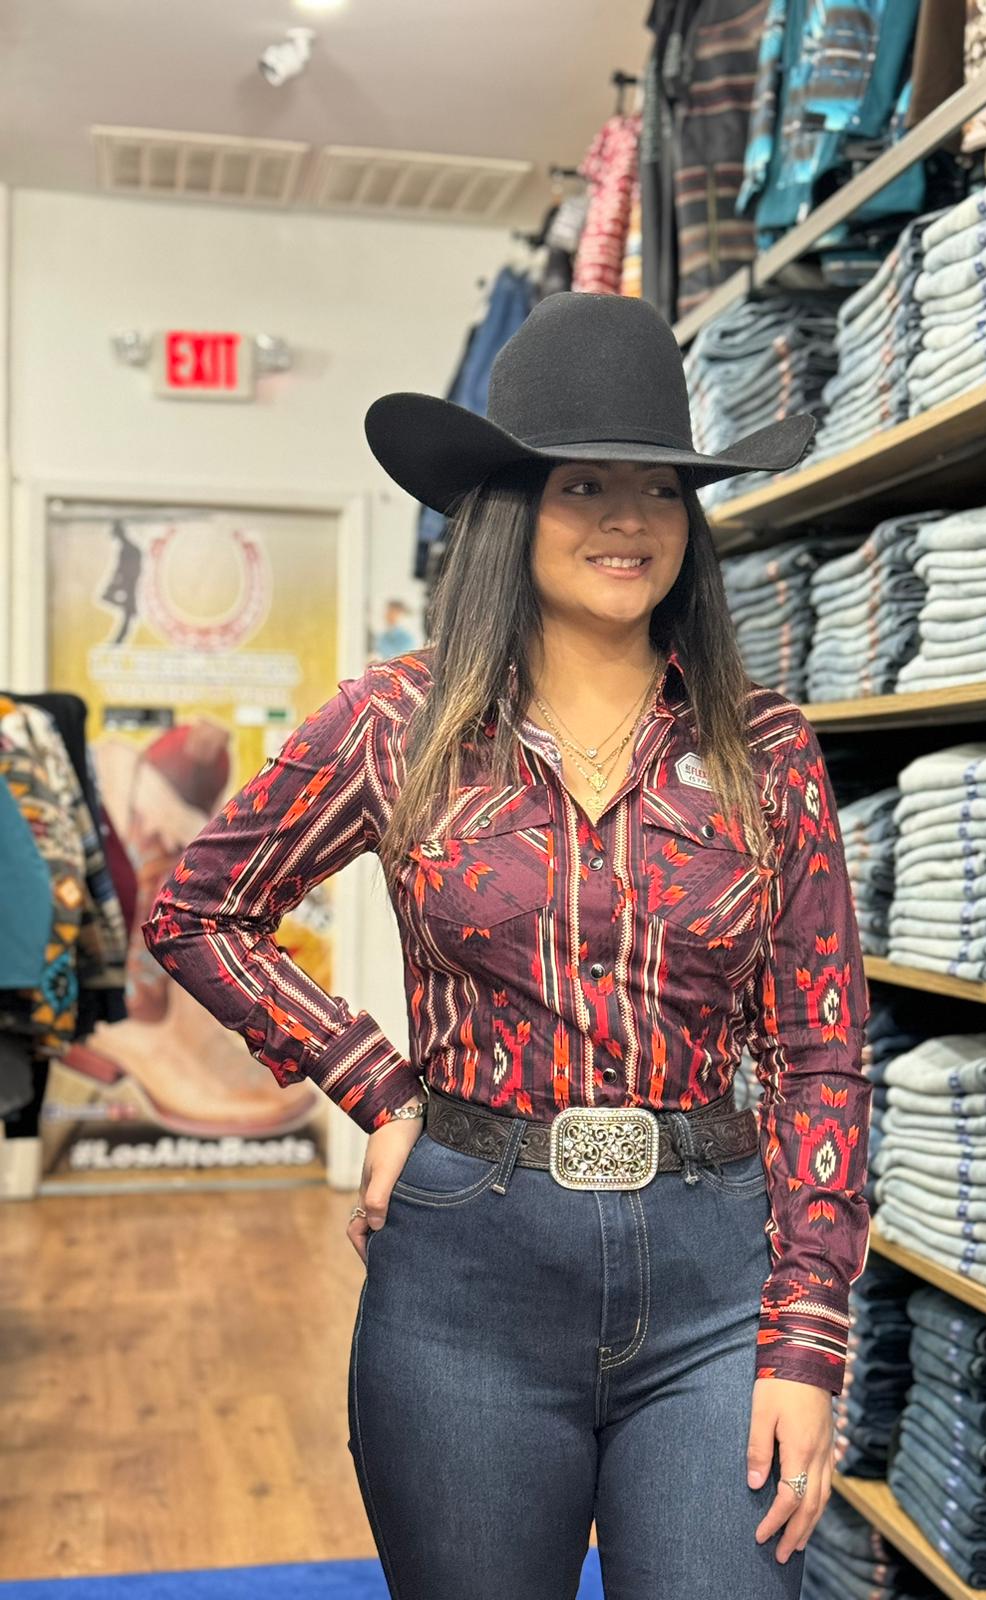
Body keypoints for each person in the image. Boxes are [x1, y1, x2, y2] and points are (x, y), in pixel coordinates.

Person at [142, 291, 871, 1600]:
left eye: (659, 489)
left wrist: (809, 1336)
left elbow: (822, 1055)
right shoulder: (395, 724)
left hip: (717, 1281)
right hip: (463, 1281)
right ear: (505, 509)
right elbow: (200, 906)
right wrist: (374, 1084)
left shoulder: (767, 751)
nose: (628, 519)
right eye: (583, 483)